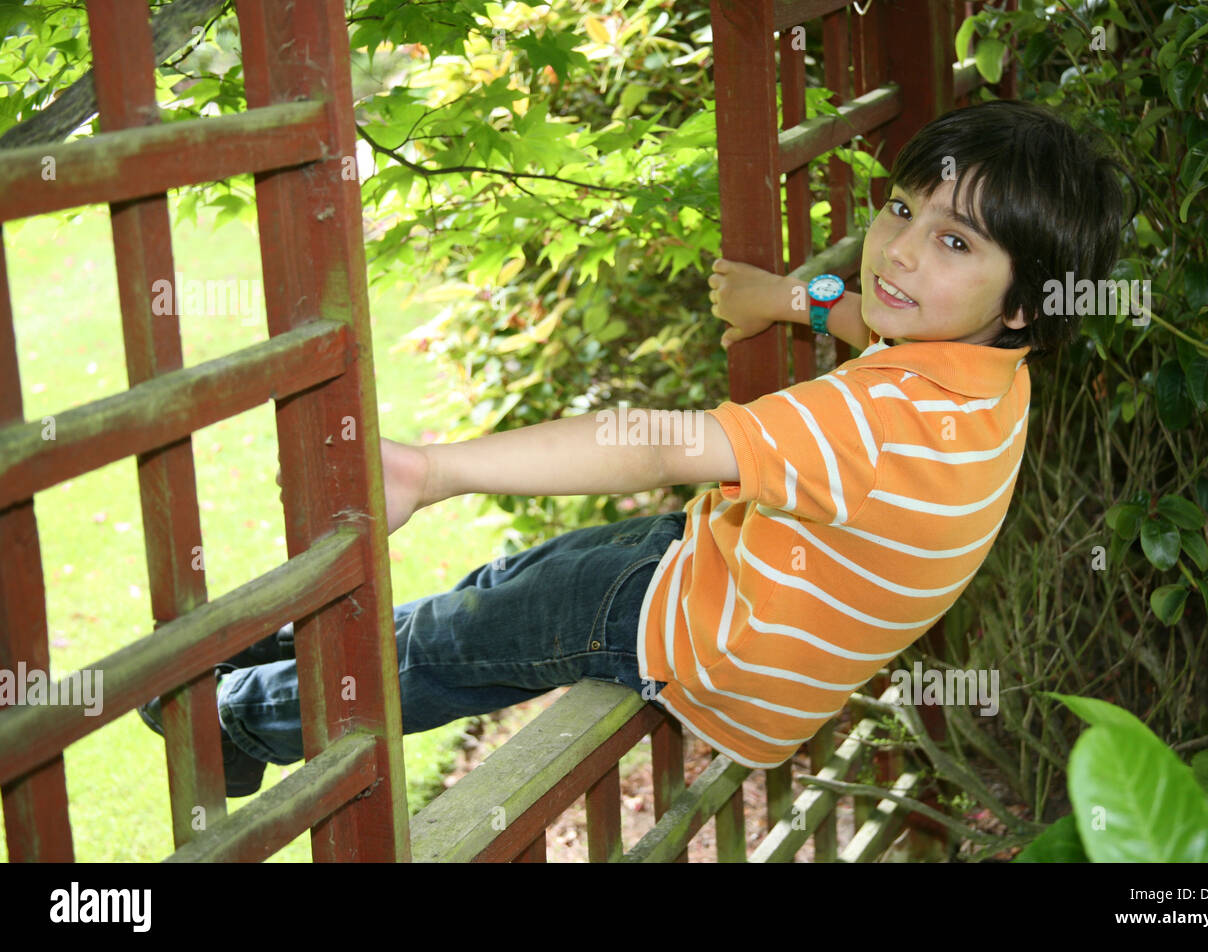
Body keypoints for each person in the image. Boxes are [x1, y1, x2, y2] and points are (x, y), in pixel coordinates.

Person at [140, 99, 1127, 797]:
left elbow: (653, 444)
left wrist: (436, 468)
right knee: (499, 583)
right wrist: (786, 298)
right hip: (726, 567)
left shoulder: (872, 425)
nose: (902, 249)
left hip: (707, 649)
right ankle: (268, 645)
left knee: (453, 647)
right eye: (903, 209)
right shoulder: (991, 369)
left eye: (955, 243)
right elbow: (878, 319)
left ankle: (231, 720)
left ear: (1023, 308)